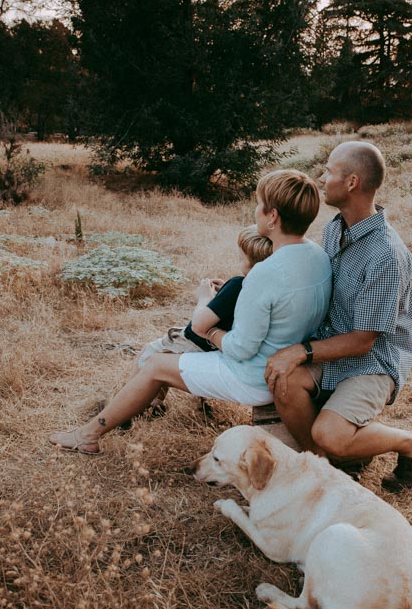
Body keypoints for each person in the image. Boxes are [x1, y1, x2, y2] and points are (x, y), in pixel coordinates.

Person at [48, 169, 332, 455]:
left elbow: (241, 348)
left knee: (156, 364)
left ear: (273, 217)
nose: (256, 210)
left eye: (259, 204)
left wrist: (210, 330)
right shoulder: (318, 255)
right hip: (285, 364)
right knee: (162, 360)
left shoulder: (264, 274)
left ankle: (88, 435)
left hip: (253, 376)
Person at [263, 141, 412, 493]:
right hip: (333, 345)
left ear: (352, 182)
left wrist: (300, 351)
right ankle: (323, 468)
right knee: (281, 380)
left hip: (372, 361)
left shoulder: (386, 254)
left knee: (329, 433)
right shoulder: (335, 228)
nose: (321, 178)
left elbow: (363, 341)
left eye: (329, 171)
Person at [128, 225, 272, 418]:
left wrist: (204, 296)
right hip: (217, 346)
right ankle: (154, 403)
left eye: (241, 258)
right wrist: (225, 292)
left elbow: (198, 324)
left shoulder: (238, 284)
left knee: (148, 354)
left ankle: (130, 406)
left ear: (250, 261)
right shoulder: (259, 287)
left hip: (195, 340)